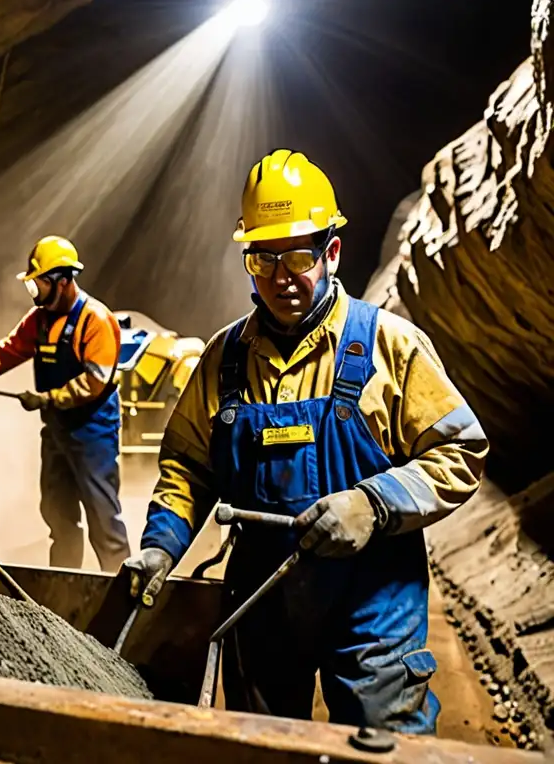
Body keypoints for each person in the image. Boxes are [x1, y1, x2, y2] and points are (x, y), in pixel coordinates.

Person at [123, 149, 488, 733]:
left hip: (373, 600)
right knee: (264, 743)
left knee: (383, 741)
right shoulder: (224, 359)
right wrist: (161, 546)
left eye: (298, 256)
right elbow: (188, 466)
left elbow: (461, 450)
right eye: (262, 260)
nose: (282, 278)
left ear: (331, 253)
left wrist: (373, 502)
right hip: (260, 600)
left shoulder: (390, 346)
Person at [0, 236, 130, 572]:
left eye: (37, 285)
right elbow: (8, 351)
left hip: (92, 431)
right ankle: (63, 583)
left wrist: (46, 398)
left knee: (103, 518)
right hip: (56, 429)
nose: (34, 294)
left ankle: (120, 586)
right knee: (59, 515)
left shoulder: (96, 321)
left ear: (61, 280)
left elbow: (94, 382)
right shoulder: (39, 320)